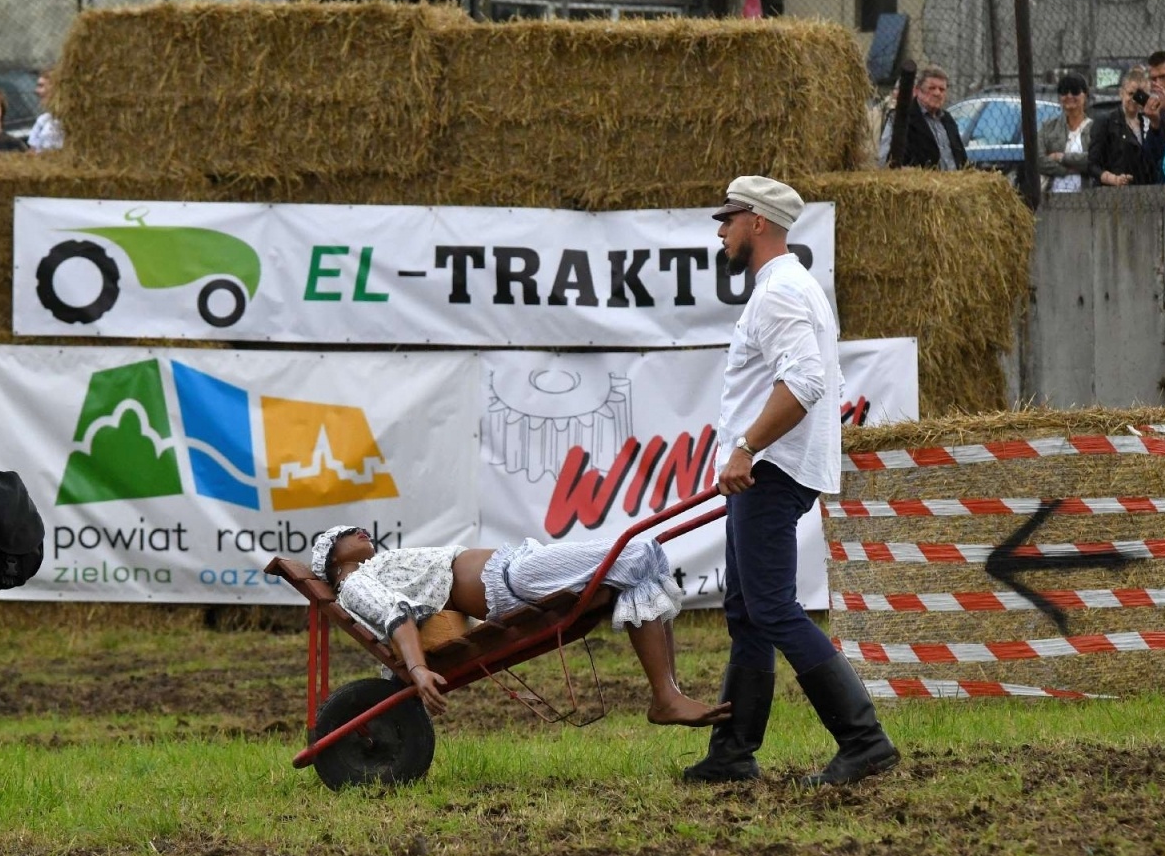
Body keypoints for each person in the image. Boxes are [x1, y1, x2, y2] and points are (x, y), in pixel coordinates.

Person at [684, 176, 899, 787]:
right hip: (773, 467)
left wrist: (747, 448)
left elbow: (804, 383)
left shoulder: (779, 292)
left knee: (772, 608)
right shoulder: (791, 286)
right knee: (748, 610)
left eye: (728, 219)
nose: (721, 231)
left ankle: (864, 740)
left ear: (757, 222)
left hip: (771, 468)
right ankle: (733, 753)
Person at [310, 527, 730, 727]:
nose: (358, 530)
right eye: (344, 534)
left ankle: (669, 694)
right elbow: (394, 614)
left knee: (644, 560)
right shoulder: (354, 583)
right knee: (638, 554)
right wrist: (417, 670)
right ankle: (666, 698)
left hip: (514, 568)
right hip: (509, 580)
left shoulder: (372, 569)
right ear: (333, 561)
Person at [1089, 67, 1165, 187]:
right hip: (1114, 190)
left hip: (1147, 188)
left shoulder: (1152, 120)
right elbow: (1092, 164)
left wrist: (1155, 123)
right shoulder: (1107, 122)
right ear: (1121, 93)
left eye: (1140, 95)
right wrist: (1113, 179)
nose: (1134, 99)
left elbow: (1160, 155)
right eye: (1131, 94)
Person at [877, 64, 966, 170]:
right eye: (931, 88)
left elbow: (962, 160)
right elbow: (884, 162)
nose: (937, 93)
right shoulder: (901, 117)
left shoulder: (948, 120)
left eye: (942, 89)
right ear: (917, 91)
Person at [1039, 72, 1094, 193]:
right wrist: (1067, 170)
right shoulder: (1048, 127)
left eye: (1075, 91)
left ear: (1085, 95)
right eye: (1064, 91)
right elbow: (1038, 160)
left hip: (1085, 195)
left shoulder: (1094, 128)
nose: (1069, 95)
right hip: (1051, 195)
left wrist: (1060, 157)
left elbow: (1093, 159)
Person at [29, 68, 64, 153]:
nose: (36, 91)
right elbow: (32, 152)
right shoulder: (42, 120)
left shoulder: (73, 121)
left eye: (41, 86)